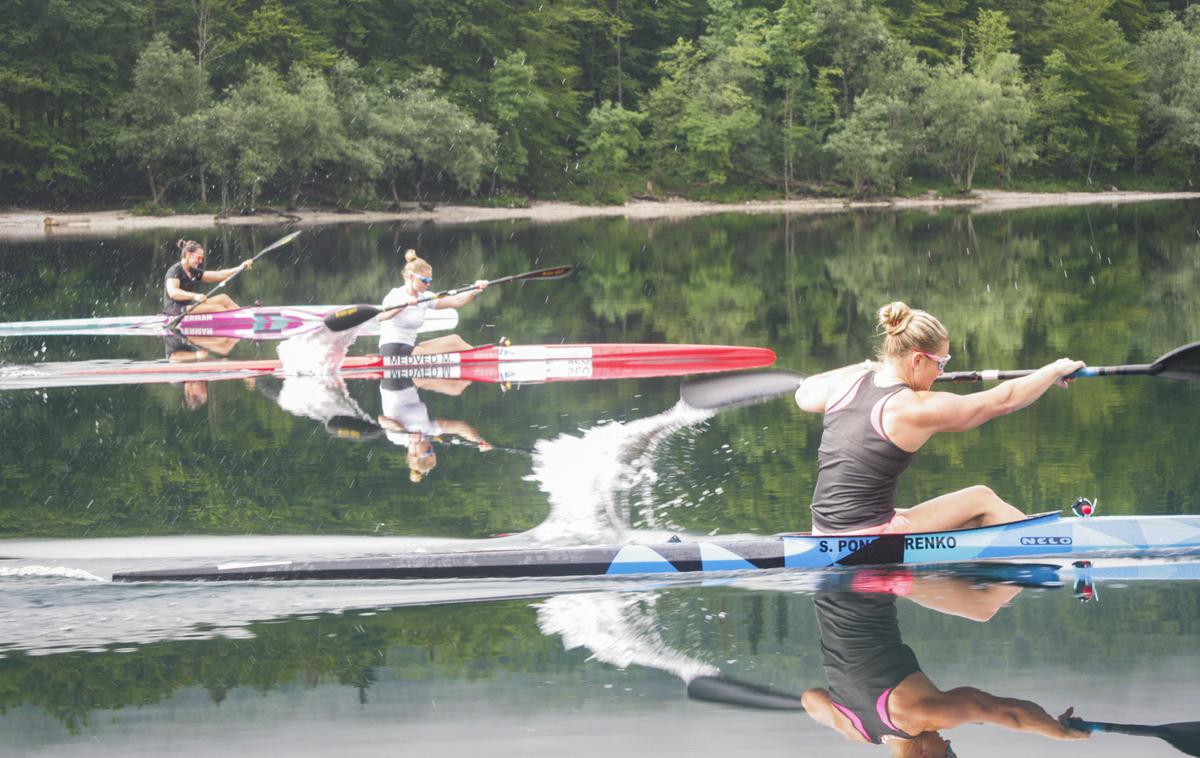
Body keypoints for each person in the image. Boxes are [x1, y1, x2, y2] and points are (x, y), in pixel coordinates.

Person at [794, 301, 1084, 535]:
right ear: (918, 360)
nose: (942, 373)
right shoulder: (912, 408)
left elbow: (804, 391)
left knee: (980, 602)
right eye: (941, 363)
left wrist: (865, 367)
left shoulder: (845, 385)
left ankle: (986, 596)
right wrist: (1054, 370)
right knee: (981, 499)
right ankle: (1052, 547)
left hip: (825, 529)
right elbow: (1003, 401)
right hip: (867, 535)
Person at [800, 579, 1090, 756]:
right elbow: (810, 700)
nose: (948, 742)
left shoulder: (922, 715)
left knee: (984, 608)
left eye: (949, 753)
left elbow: (1012, 712)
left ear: (927, 757)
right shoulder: (854, 731)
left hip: (872, 577)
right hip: (824, 588)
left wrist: (1058, 732)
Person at [377, 374, 491, 483]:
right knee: (456, 389)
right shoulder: (429, 432)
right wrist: (479, 440)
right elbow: (459, 427)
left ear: (414, 455)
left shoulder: (397, 438)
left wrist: (403, 431)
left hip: (392, 384)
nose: (431, 448)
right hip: (411, 381)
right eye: (433, 451)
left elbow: (382, 420)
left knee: (455, 388)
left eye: (428, 451)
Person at [378, 249, 489, 359]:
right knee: (429, 355)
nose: (428, 284)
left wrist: (474, 290)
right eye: (425, 280)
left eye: (430, 280)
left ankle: (483, 357)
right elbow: (381, 316)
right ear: (411, 277)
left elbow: (456, 301)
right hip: (392, 349)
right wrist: (404, 305)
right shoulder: (396, 294)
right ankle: (479, 359)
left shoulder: (425, 297)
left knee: (455, 340)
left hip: (411, 347)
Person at [163, 238, 253, 317]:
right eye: (199, 258)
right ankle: (236, 319)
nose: (200, 262)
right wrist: (195, 296)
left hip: (189, 306)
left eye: (202, 259)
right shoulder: (174, 271)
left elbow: (219, 275)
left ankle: (244, 316)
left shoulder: (193, 271)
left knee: (223, 298)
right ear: (189, 255)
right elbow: (173, 293)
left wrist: (240, 268)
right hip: (175, 310)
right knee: (218, 308)